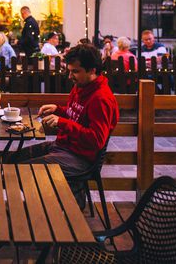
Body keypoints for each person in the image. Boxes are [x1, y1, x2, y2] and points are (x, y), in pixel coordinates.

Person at [8, 44, 119, 210]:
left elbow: (96, 140)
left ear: (92, 70)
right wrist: (58, 110)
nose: (70, 76)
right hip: (63, 147)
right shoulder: (80, 86)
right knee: (14, 160)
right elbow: (76, 115)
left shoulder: (101, 99)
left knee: (24, 171)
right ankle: (51, 203)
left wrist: (62, 122)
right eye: (69, 70)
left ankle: (40, 211)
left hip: (82, 159)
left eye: (75, 71)